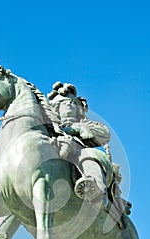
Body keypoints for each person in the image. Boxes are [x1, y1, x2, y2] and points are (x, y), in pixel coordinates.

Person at [48, 82, 131, 229]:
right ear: (56, 108)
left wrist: (75, 129)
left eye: (72, 104)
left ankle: (96, 192)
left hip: (78, 152)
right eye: (64, 103)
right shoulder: (49, 126)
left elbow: (105, 133)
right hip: (54, 153)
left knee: (89, 155)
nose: (69, 106)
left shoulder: (85, 123)